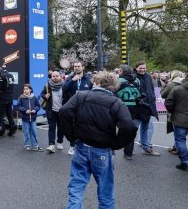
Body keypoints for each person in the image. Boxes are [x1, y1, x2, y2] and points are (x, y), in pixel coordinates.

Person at [59, 71, 137, 209]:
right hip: (102, 150)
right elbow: (129, 126)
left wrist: (71, 137)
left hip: (81, 146)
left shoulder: (81, 96)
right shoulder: (116, 102)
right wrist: (116, 144)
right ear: (113, 86)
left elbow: (64, 111)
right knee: (105, 190)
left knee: (76, 187)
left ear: (96, 82)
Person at [62, 60, 93, 155]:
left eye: (78, 66)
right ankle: (72, 146)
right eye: (75, 66)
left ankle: (84, 145)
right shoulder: (70, 78)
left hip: (85, 107)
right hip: (73, 107)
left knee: (84, 126)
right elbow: (64, 89)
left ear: (83, 67)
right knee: (73, 126)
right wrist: (72, 81)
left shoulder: (88, 79)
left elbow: (93, 92)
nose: (76, 68)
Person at [115, 65, 142, 160]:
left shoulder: (119, 81)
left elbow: (114, 92)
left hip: (121, 106)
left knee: (114, 127)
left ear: (122, 71)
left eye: (119, 70)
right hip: (134, 107)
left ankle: (112, 148)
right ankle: (128, 152)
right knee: (130, 128)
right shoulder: (137, 80)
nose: (118, 72)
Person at [134, 62, 160, 156]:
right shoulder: (133, 77)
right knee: (133, 129)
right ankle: (128, 150)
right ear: (136, 68)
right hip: (138, 107)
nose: (142, 70)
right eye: (140, 68)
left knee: (145, 127)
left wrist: (152, 97)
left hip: (148, 106)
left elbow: (151, 88)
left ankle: (146, 147)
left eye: (144, 68)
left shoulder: (148, 76)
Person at [161, 70, 185, 155]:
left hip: (173, 108)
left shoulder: (171, 84)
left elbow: (163, 94)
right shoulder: (186, 83)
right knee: (182, 129)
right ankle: (176, 146)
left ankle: (178, 147)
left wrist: (164, 85)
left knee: (177, 129)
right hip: (185, 108)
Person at [42, 71, 65, 153]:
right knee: (51, 128)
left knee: (61, 128)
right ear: (51, 77)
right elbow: (42, 94)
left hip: (62, 111)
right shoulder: (48, 85)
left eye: (57, 76)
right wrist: (45, 96)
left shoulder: (64, 85)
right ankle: (51, 144)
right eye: (53, 76)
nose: (55, 77)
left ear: (60, 77)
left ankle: (59, 142)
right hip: (51, 110)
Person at [18, 84, 40, 150]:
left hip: (33, 118)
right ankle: (27, 145)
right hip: (25, 118)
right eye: (24, 89)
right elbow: (19, 106)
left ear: (30, 90)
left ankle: (35, 145)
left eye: (27, 89)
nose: (25, 90)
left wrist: (35, 110)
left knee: (34, 132)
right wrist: (25, 110)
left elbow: (38, 106)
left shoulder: (34, 97)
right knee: (26, 132)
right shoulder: (21, 97)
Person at [0, 65, 16, 137]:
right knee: (9, 115)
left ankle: (2, 131)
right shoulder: (11, 75)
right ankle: (12, 130)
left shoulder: (2, 76)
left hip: (3, 98)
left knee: (0, 115)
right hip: (10, 97)